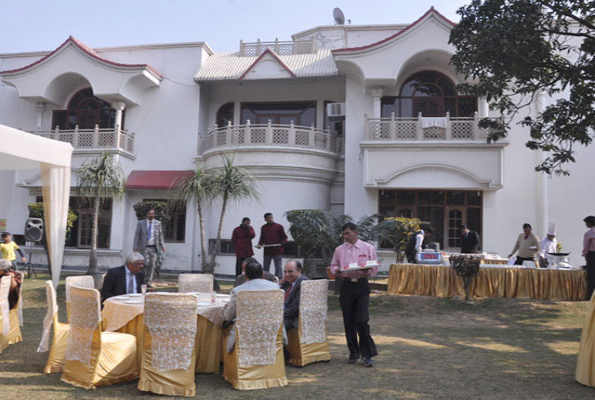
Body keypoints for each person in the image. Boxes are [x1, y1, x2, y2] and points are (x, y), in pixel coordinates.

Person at [330, 222, 378, 368]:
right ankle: (353, 352)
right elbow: (333, 266)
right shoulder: (339, 250)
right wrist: (336, 271)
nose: (345, 236)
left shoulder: (367, 247)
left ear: (355, 232)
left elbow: (374, 268)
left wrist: (367, 271)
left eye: (348, 233)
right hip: (347, 285)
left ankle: (367, 354)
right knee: (349, 320)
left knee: (362, 320)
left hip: (362, 285)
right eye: (343, 234)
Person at [223, 260, 280, 352]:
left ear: (245, 276)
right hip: (270, 328)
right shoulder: (275, 287)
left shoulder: (238, 291)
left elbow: (228, 316)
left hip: (246, 332)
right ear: (262, 274)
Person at [133, 208, 166, 287]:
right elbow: (137, 235)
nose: (151, 215)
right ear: (147, 214)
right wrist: (135, 246)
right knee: (145, 263)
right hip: (144, 247)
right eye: (150, 214)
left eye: (153, 214)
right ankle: (142, 280)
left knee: (152, 264)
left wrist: (163, 246)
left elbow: (160, 235)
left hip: (154, 247)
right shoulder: (141, 223)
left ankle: (148, 282)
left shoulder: (158, 223)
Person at [256, 212, 288, 279]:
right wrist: (259, 244)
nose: (270, 219)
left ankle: (279, 281)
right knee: (266, 268)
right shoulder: (263, 227)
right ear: (265, 219)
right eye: (268, 218)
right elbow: (262, 238)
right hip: (267, 251)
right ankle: (265, 280)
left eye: (271, 217)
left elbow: (284, 237)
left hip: (277, 251)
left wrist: (281, 244)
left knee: (278, 268)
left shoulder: (279, 226)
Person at [279, 260, 309, 331]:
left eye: (290, 271)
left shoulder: (304, 283)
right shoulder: (288, 282)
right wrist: (280, 283)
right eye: (285, 272)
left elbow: (296, 308)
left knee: (272, 325)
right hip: (286, 315)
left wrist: (278, 314)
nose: (286, 274)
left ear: (300, 270)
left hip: (294, 319)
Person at [582, 216, 595, 298]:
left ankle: (591, 294)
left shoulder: (589, 233)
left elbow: (586, 246)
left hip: (592, 255)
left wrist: (585, 254)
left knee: (591, 275)